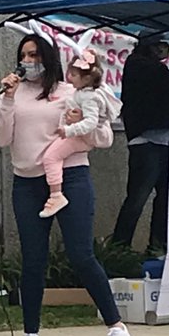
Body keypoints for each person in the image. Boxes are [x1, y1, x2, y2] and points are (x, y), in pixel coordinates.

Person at [0, 31, 131, 336]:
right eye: (23, 55)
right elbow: (1, 138)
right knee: (33, 259)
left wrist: (76, 123)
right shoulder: (13, 93)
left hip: (70, 176)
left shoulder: (70, 91)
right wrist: (7, 99)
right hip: (27, 182)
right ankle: (31, 334)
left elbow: (103, 136)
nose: (28, 62)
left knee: (81, 254)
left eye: (35, 55)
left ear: (50, 58)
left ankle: (116, 327)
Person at [111, 34, 169, 259]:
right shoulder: (138, 65)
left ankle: (157, 246)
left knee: (165, 198)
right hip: (145, 142)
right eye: (158, 46)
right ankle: (118, 248)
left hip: (164, 140)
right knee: (137, 198)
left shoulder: (153, 68)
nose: (163, 51)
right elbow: (163, 82)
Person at [39, 50, 110, 218]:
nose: (69, 78)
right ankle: (56, 194)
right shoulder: (81, 93)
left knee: (51, 157)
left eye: (73, 74)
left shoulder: (90, 97)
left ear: (86, 79)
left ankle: (56, 194)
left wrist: (69, 129)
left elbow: (91, 122)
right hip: (76, 135)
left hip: (77, 138)